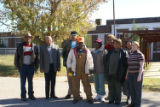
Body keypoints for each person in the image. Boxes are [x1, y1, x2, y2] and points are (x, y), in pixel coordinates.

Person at [67, 37, 94, 104]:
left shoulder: (86, 50)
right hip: (75, 70)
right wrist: (70, 68)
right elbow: (69, 59)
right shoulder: (73, 50)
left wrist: (91, 68)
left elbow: (90, 60)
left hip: (84, 70)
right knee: (75, 84)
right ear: (77, 43)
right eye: (79, 43)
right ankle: (76, 98)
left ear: (83, 42)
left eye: (81, 42)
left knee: (86, 84)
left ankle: (89, 98)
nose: (80, 44)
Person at [14, 33, 39, 101]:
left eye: (29, 37)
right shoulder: (20, 46)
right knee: (23, 82)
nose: (28, 38)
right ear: (24, 38)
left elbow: (37, 58)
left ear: (31, 38)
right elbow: (16, 56)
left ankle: (31, 95)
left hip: (31, 67)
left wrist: (36, 67)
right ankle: (23, 96)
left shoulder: (34, 46)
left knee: (30, 82)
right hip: (23, 67)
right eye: (26, 37)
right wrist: (16, 65)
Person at [104, 38, 128, 105]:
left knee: (118, 88)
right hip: (110, 73)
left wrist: (123, 74)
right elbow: (106, 61)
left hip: (119, 74)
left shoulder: (123, 52)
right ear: (113, 44)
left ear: (120, 44)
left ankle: (118, 100)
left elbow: (125, 65)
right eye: (115, 43)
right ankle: (111, 99)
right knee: (111, 87)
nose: (116, 45)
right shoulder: (110, 51)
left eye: (118, 43)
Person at [125, 41, 145, 107]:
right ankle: (133, 103)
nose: (133, 46)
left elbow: (141, 66)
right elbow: (129, 65)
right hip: (130, 74)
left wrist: (139, 76)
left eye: (135, 45)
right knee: (132, 89)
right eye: (132, 45)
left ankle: (137, 105)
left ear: (138, 46)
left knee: (137, 90)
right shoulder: (130, 53)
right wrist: (127, 74)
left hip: (137, 74)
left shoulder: (140, 54)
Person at [62, 31, 78, 99]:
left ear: (77, 36)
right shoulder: (67, 43)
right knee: (70, 78)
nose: (73, 36)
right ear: (70, 36)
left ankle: (78, 94)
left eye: (74, 35)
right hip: (69, 65)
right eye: (72, 35)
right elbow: (63, 53)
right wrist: (67, 61)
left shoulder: (80, 42)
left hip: (77, 65)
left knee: (77, 79)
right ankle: (70, 93)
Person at [92, 38, 107, 102]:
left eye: (97, 43)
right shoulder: (92, 51)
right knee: (96, 83)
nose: (96, 44)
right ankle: (98, 94)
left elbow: (106, 61)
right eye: (95, 43)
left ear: (100, 44)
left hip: (101, 70)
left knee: (101, 83)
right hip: (95, 70)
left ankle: (102, 95)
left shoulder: (104, 51)